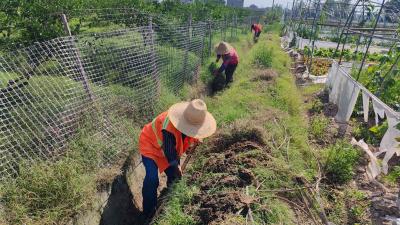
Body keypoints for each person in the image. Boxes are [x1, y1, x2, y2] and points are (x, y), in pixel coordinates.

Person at [139, 99, 217, 217]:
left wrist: (197, 138)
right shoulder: (169, 127)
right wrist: (176, 166)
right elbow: (170, 153)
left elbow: (190, 135)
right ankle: (148, 213)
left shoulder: (192, 120)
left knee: (175, 177)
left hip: (167, 149)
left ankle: (169, 200)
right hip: (151, 145)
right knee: (152, 179)